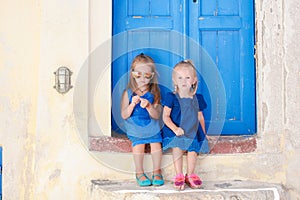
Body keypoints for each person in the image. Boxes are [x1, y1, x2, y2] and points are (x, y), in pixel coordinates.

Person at [162, 60, 209, 190]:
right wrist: (175, 128)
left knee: (193, 149)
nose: (184, 81)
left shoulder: (197, 98)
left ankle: (190, 174)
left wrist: (204, 134)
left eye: (187, 78)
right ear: (174, 80)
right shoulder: (171, 97)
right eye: (180, 78)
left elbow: (200, 117)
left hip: (192, 130)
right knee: (177, 147)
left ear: (194, 80)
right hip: (176, 130)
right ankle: (178, 175)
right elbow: (165, 117)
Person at [121, 53, 164, 187]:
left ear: (152, 75)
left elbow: (156, 115)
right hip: (135, 126)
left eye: (147, 76)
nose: (142, 79)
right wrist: (132, 104)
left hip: (151, 125)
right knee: (138, 145)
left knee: (156, 144)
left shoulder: (155, 92)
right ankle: (139, 171)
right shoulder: (127, 92)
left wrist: (150, 106)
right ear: (132, 74)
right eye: (138, 75)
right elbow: (124, 115)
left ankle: (157, 170)